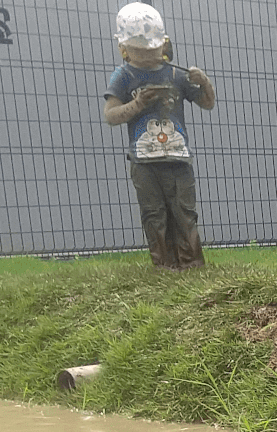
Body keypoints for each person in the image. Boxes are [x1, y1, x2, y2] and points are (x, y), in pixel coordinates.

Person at [103, 3, 215, 269]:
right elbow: (110, 115)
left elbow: (207, 103)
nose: (147, 55)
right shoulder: (123, 76)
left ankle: (192, 266)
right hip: (143, 162)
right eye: (140, 51)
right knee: (155, 215)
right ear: (125, 49)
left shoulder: (177, 74)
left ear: (163, 45)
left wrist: (205, 83)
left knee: (184, 213)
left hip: (178, 158)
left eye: (152, 49)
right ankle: (164, 267)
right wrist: (137, 105)